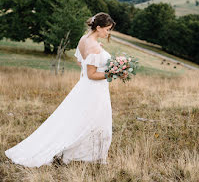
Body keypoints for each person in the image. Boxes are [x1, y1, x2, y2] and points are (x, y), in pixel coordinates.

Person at [5, 12, 116, 167]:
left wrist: (97, 57)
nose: (108, 33)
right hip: (94, 90)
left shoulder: (84, 39)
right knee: (94, 120)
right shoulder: (94, 47)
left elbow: (80, 63)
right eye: (107, 29)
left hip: (84, 87)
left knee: (76, 119)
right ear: (98, 27)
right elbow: (91, 74)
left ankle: (79, 152)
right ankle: (84, 154)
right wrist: (111, 73)